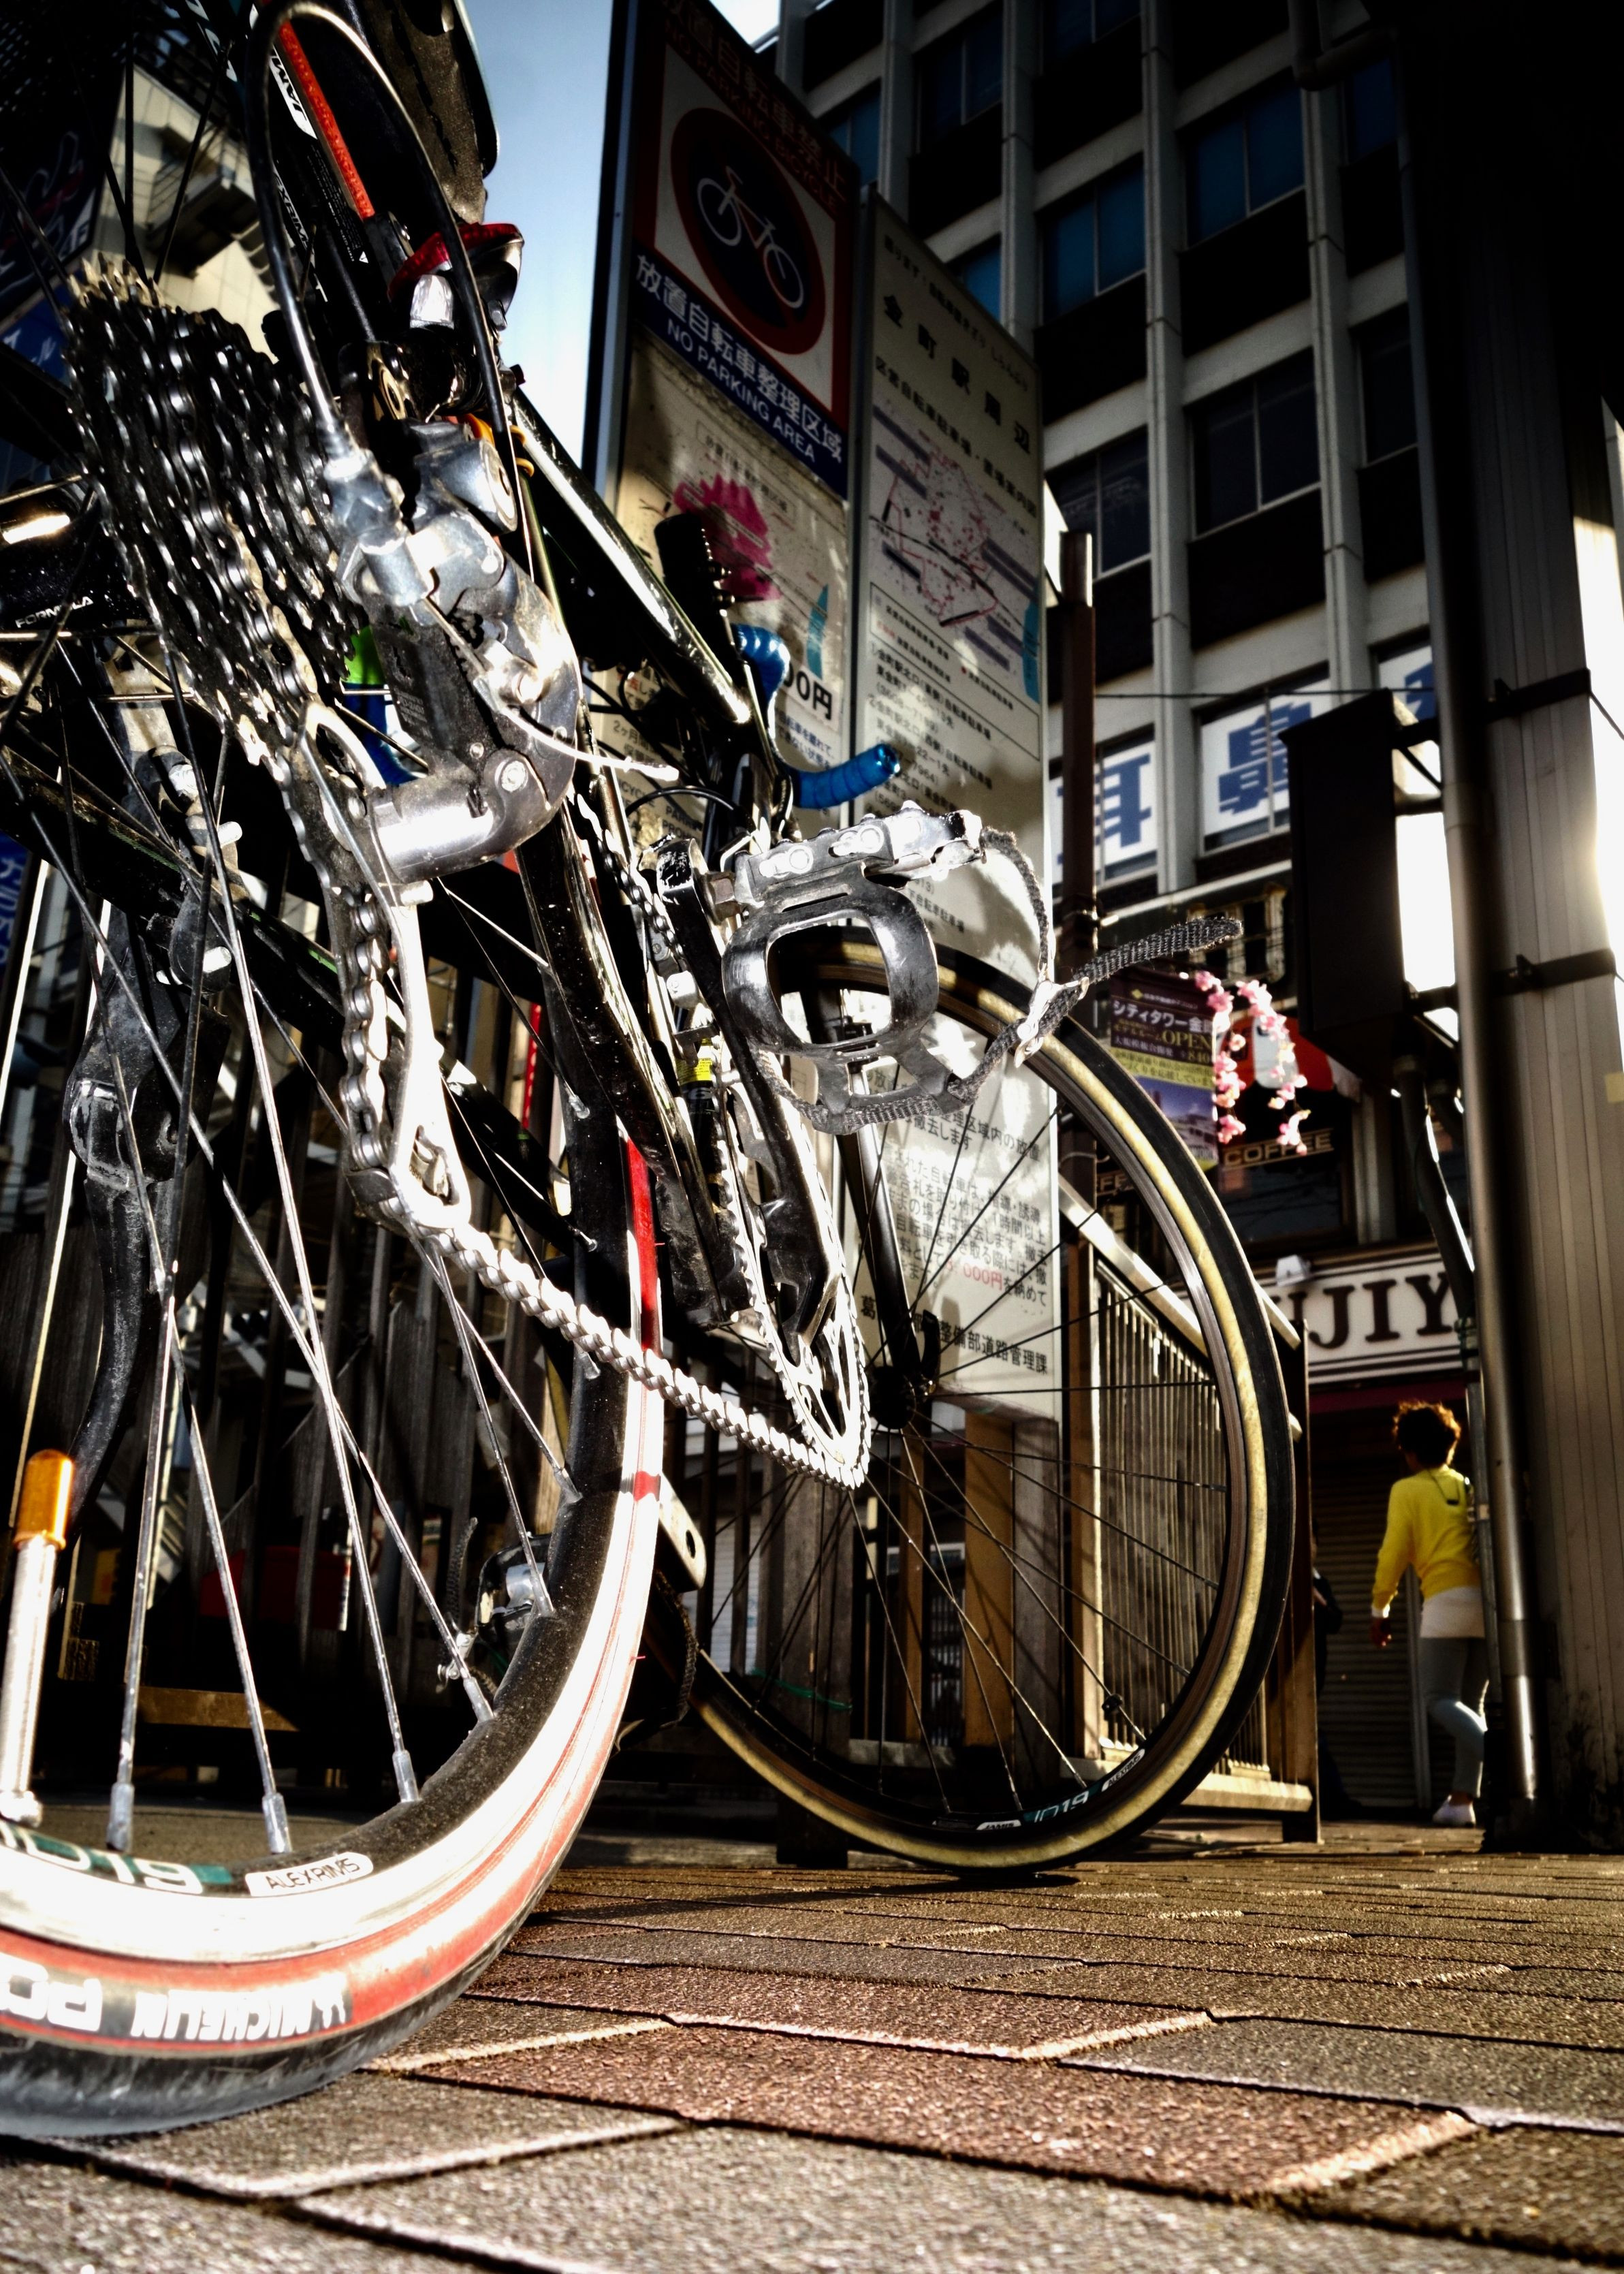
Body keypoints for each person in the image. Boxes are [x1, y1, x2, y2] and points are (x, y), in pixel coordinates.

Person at [1370, 1400, 1486, 1829]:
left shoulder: (1407, 1491)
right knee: (1470, 1704)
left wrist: (1380, 1607)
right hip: (1485, 1606)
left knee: (1439, 1699)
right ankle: (1461, 1802)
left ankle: (1509, 1758)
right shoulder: (1468, 1485)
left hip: (1443, 1604)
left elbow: (1393, 1553)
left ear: (1411, 1452)